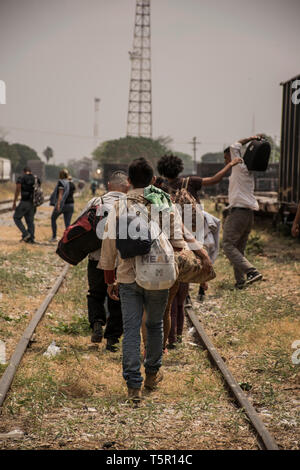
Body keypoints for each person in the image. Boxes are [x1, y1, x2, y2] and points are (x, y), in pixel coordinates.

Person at [99, 158, 187, 402]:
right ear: (152, 180)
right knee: (155, 325)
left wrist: (109, 278)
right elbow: (178, 243)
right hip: (158, 275)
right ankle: (151, 375)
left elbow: (108, 244)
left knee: (130, 329)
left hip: (128, 276)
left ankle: (133, 386)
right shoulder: (164, 202)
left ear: (128, 181)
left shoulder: (119, 205)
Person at [84, 171, 129, 351]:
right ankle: (112, 339)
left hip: (96, 257)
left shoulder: (96, 202)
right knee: (117, 298)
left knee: (95, 294)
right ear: (127, 186)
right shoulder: (130, 204)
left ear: (109, 185)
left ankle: (96, 323)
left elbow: (82, 226)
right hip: (121, 260)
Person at [222, 135, 264, 289]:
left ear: (230, 156)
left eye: (226, 158)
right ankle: (240, 282)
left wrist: (252, 137)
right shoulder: (247, 171)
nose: (226, 162)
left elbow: (235, 145)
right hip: (248, 215)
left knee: (227, 245)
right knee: (238, 249)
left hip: (239, 213)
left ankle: (251, 271)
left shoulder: (238, 167)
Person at [12, 166, 40, 244]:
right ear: (30, 171)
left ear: (24, 171)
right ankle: (31, 238)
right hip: (33, 203)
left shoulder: (21, 178)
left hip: (24, 201)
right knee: (30, 221)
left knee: (16, 217)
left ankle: (25, 234)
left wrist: (14, 202)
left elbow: (18, 189)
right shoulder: (36, 178)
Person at [50, 169, 76, 242]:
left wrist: (58, 205)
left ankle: (54, 236)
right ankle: (68, 239)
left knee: (53, 218)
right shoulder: (71, 183)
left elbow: (60, 195)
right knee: (67, 223)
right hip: (71, 205)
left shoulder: (61, 183)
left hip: (63, 205)